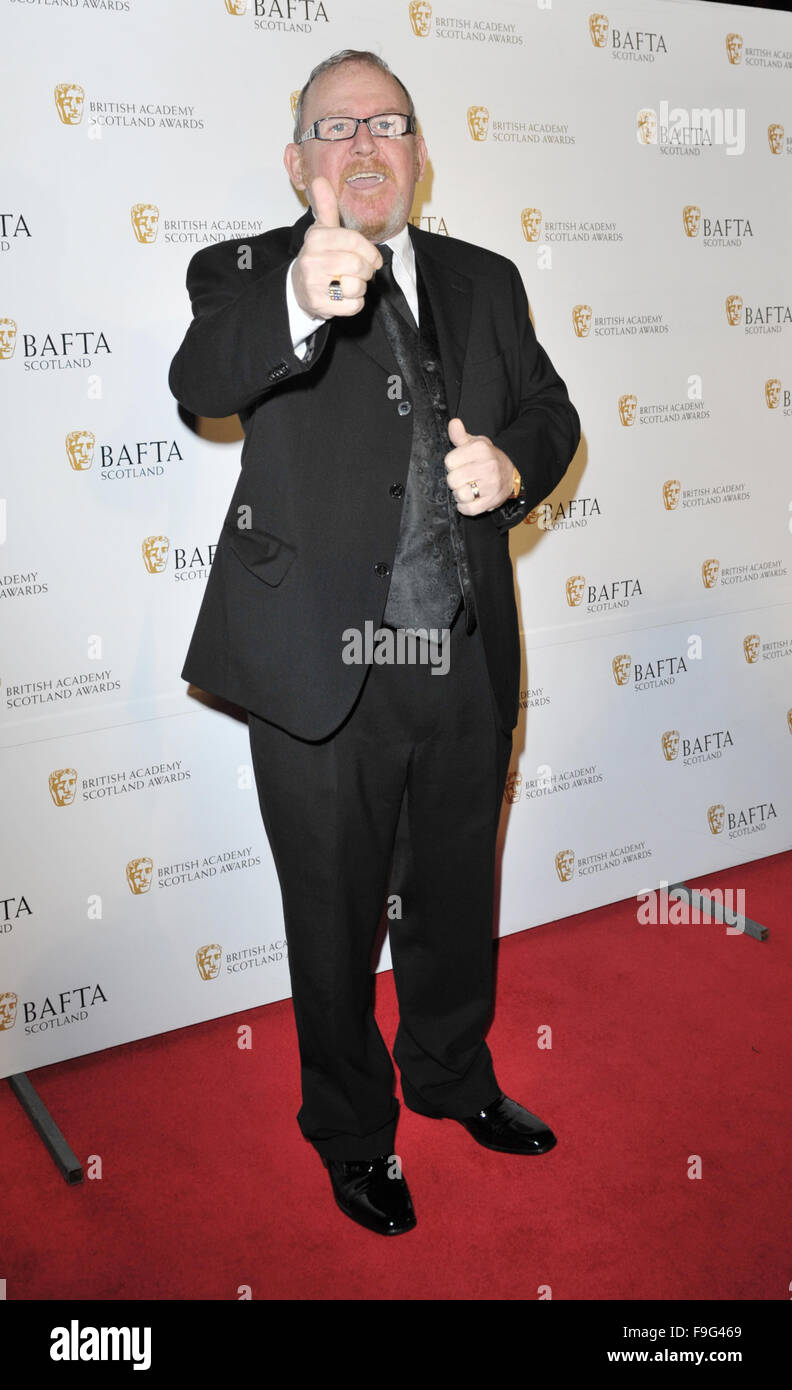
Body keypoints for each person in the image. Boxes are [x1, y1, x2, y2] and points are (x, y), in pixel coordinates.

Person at [169, 49, 580, 1237]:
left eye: (387, 124)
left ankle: (451, 1075)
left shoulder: (488, 279)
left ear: (416, 155)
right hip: (318, 663)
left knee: (453, 890)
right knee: (338, 915)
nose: (363, 144)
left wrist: (513, 464)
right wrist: (303, 295)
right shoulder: (243, 272)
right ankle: (351, 1130)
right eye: (335, 128)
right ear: (299, 161)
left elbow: (552, 412)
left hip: (459, 651)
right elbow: (201, 379)